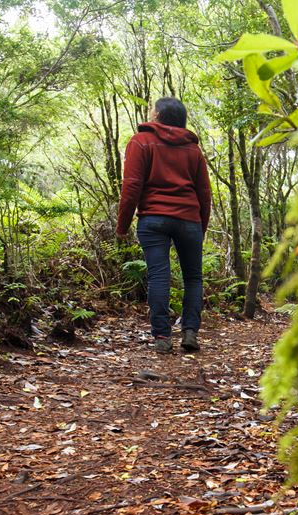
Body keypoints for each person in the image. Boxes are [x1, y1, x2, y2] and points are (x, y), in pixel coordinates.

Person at [116, 97, 211, 354]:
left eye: (152, 110)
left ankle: (162, 337)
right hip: (189, 218)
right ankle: (190, 332)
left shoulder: (141, 142)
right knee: (193, 277)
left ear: (157, 115)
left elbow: (132, 186)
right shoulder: (193, 150)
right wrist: (199, 227)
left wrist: (122, 225)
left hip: (153, 219)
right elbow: (204, 193)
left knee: (159, 275)